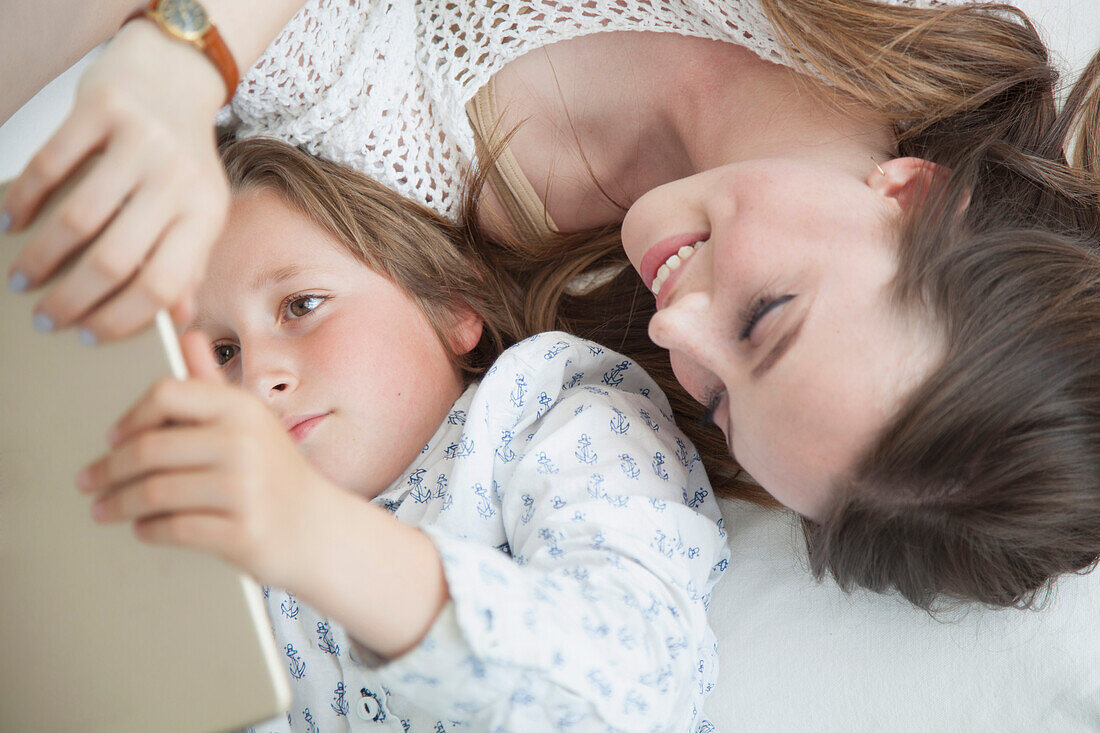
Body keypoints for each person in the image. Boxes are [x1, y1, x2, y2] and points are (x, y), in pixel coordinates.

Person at [6, 0, 1100, 608]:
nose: (677, 328)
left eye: (716, 397)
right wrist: (181, 58)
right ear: (908, 196)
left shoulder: (553, 331)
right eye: (765, 317)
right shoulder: (850, 17)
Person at [75, 135, 730, 731]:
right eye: (223, 352)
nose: (257, 379)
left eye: (301, 305)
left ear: (452, 304)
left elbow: (632, 685)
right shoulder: (232, 565)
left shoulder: (551, 412)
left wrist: (317, 535)